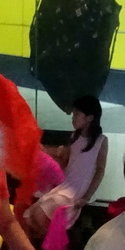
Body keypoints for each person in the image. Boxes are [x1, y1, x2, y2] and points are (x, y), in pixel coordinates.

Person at [24, 95, 108, 240]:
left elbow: (100, 171)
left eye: (77, 114)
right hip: (65, 185)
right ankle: (50, 244)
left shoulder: (101, 141)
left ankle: (55, 243)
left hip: (78, 189)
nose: (73, 118)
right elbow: (65, 160)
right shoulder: (74, 137)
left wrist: (86, 197)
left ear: (89, 118)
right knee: (31, 216)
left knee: (39, 214)